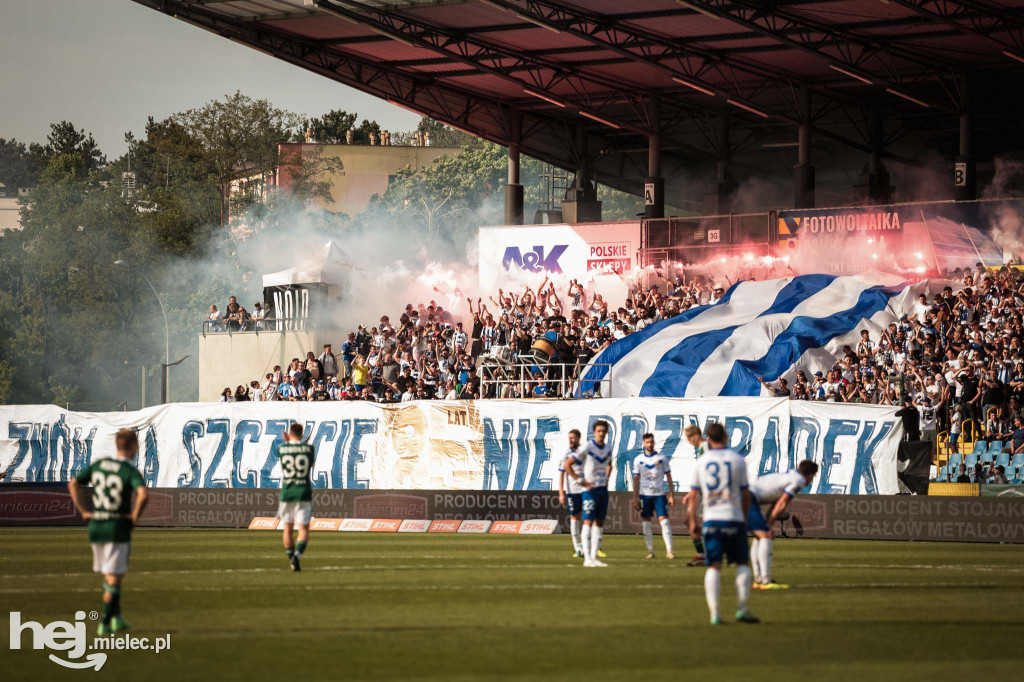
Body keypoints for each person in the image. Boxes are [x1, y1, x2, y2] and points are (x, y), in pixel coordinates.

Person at [67, 428, 149, 635]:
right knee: (114, 576)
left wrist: (84, 511)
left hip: (96, 526)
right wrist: (134, 518)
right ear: (132, 446)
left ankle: (117, 618)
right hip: (116, 526)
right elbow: (143, 495)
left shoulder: (99, 465)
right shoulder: (128, 470)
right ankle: (104, 622)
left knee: (110, 575)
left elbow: (73, 483)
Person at [687, 422, 758, 625]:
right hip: (734, 517)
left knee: (713, 566)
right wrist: (744, 520)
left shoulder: (702, 461)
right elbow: (745, 495)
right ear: (725, 437)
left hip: (711, 519)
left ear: (708, 439)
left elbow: (693, 496)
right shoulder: (737, 460)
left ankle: (715, 614)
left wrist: (692, 520)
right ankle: (742, 609)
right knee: (742, 564)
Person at [747, 460, 819, 590]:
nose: (812, 480)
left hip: (746, 495)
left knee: (760, 537)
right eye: (813, 476)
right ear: (810, 475)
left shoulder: (791, 476)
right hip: (747, 497)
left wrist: (769, 522)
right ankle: (765, 580)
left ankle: (758, 580)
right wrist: (769, 524)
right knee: (765, 536)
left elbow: (777, 503)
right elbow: (782, 502)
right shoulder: (799, 481)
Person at [565, 420, 613, 567]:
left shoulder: (608, 449)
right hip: (589, 490)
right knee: (587, 521)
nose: (601, 433)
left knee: (599, 522)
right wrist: (580, 480)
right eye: (599, 431)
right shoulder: (588, 447)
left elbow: (609, 464)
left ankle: (594, 558)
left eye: (603, 431)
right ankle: (586, 559)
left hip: (602, 490)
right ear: (594, 432)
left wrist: (607, 478)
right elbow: (568, 465)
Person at [274, 423, 315, 572]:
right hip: (303, 491)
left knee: (287, 528)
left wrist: (288, 441)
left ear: (289, 434)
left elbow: (290, 450)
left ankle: (291, 558)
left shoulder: (282, 449)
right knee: (303, 529)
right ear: (302, 434)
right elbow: (306, 458)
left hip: (287, 492)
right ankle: (297, 556)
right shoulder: (309, 449)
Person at [631, 433, 675, 559]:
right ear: (643, 443)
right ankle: (651, 552)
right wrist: (635, 498)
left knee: (665, 522)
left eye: (651, 442)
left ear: (654, 443)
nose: (649, 444)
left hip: (659, 495)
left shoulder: (662, 458)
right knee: (646, 523)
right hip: (645, 495)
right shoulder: (638, 460)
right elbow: (636, 479)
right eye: (647, 442)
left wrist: (671, 495)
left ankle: (670, 551)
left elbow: (669, 477)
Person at [557, 429, 587, 559]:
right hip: (572, 492)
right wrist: (561, 493)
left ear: (579, 438)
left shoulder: (584, 452)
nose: (571, 440)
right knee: (574, 519)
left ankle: (585, 546)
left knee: (587, 519)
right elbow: (561, 474)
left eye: (573, 438)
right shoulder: (566, 454)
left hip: (585, 491)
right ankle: (577, 548)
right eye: (569, 437)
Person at [681, 425, 708, 566]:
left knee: (696, 523)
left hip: (707, 493)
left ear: (696, 436)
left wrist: (693, 492)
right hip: (700, 491)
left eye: (689, 438)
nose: (689, 441)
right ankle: (702, 555)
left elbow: (706, 472)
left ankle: (705, 555)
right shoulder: (702, 449)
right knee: (689, 521)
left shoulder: (706, 448)